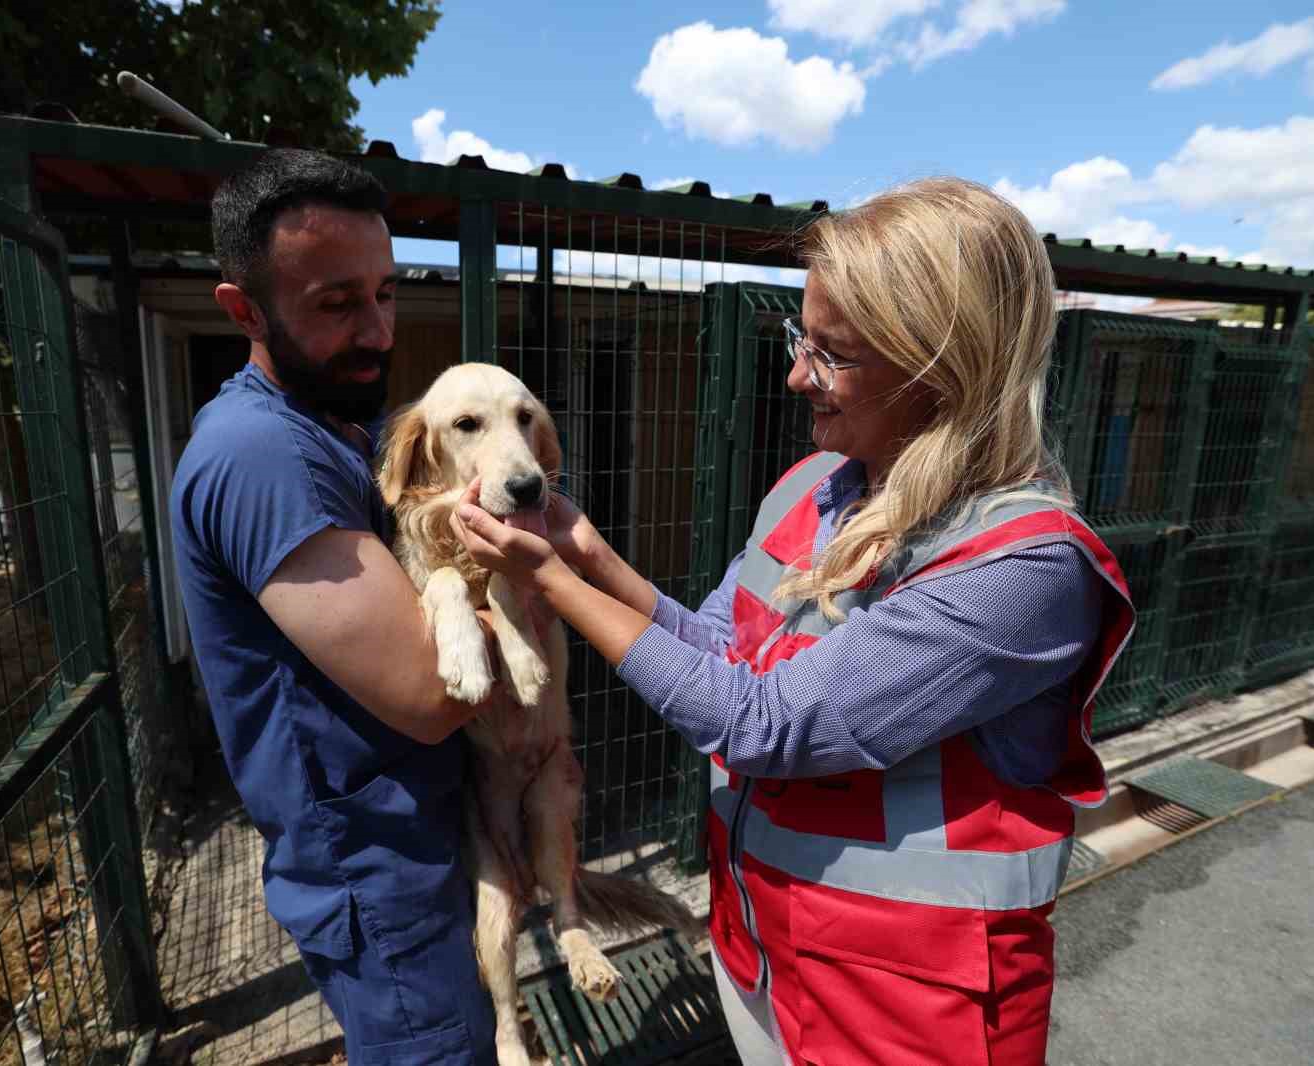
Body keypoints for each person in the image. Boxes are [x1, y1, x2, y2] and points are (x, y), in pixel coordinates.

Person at [451, 177, 1135, 1066]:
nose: (795, 375)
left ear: (942, 363)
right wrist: (584, 551)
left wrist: (550, 580)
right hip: (767, 959)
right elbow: (721, 656)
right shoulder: (812, 488)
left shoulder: (1023, 570)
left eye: (832, 353)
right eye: (797, 338)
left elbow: (760, 724)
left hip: (907, 1016)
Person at [169, 149, 504, 1066]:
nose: (379, 331)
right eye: (336, 305)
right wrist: (532, 589)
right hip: (376, 874)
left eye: (386, 293)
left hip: (412, 850)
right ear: (243, 309)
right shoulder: (262, 455)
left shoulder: (328, 423)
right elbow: (434, 695)